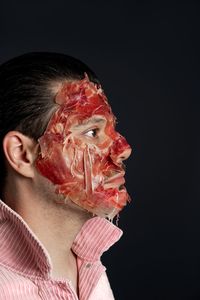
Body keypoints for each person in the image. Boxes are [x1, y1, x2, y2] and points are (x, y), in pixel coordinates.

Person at [0, 52, 132, 300]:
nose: (123, 149)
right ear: (21, 154)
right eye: (92, 132)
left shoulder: (91, 272)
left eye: (112, 130)